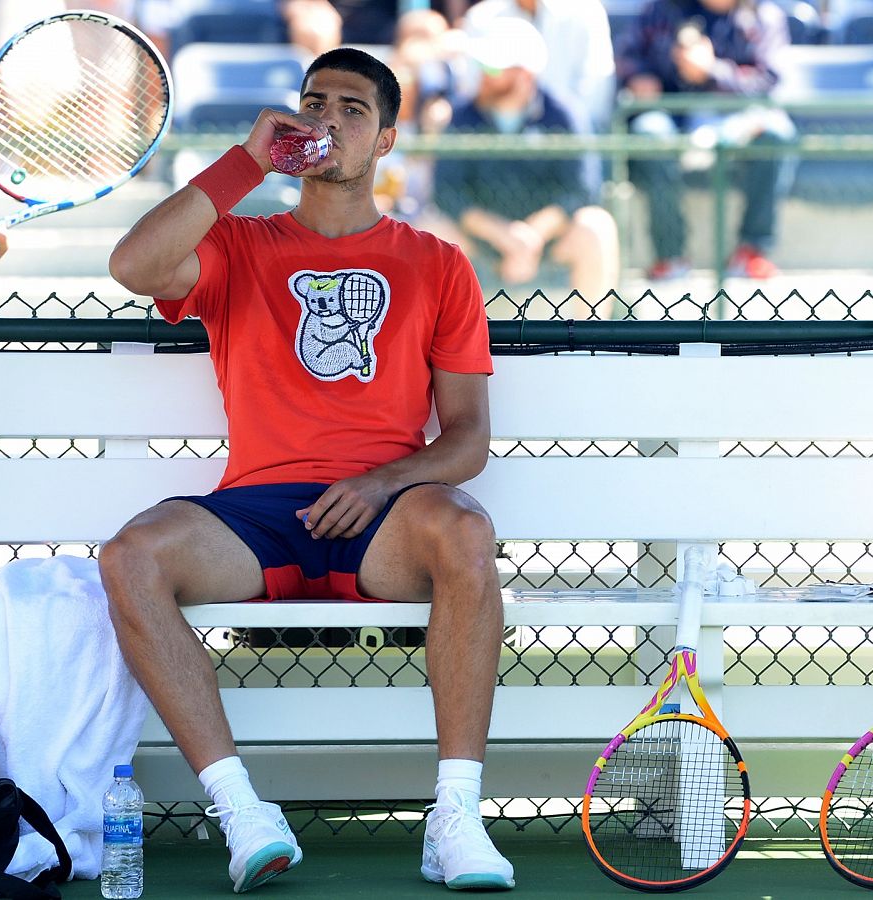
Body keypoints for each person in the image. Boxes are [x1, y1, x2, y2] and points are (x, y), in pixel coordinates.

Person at [105, 48, 513, 893]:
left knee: (468, 531)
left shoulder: (437, 263)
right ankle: (242, 811)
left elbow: (467, 437)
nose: (328, 120)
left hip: (382, 520)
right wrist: (246, 161)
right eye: (313, 102)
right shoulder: (238, 244)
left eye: (353, 109)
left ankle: (457, 817)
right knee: (131, 555)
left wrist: (382, 481)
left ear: (388, 139)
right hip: (257, 512)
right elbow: (134, 268)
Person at [435, 15, 619, 315]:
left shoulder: (564, 114)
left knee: (597, 227)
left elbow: (582, 189)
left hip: (548, 238)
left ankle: (590, 343)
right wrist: (504, 235)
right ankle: (439, 347)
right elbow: (446, 192)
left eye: (493, 68)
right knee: (432, 231)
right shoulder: (462, 115)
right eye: (481, 65)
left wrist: (531, 236)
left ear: (524, 75)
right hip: (482, 236)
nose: (483, 74)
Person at [617, 0, 793, 280]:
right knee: (649, 130)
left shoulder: (763, 16)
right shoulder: (663, 8)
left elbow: (768, 80)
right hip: (675, 116)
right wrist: (639, 77)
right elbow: (627, 55)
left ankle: (752, 251)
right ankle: (670, 254)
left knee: (776, 131)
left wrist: (712, 70)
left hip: (739, 117)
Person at [463, 0, 616, 132]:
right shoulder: (480, 18)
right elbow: (471, 89)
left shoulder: (588, 12)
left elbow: (594, 92)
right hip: (492, 138)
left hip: (570, 137)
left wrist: (567, 125)